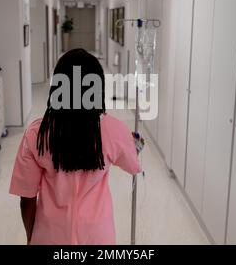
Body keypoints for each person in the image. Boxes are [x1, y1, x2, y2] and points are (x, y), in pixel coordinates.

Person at [9, 48, 142, 245]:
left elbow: (26, 199)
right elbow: (132, 166)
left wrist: (31, 238)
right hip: (97, 236)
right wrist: (134, 145)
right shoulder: (112, 130)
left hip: (50, 236)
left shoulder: (37, 133)